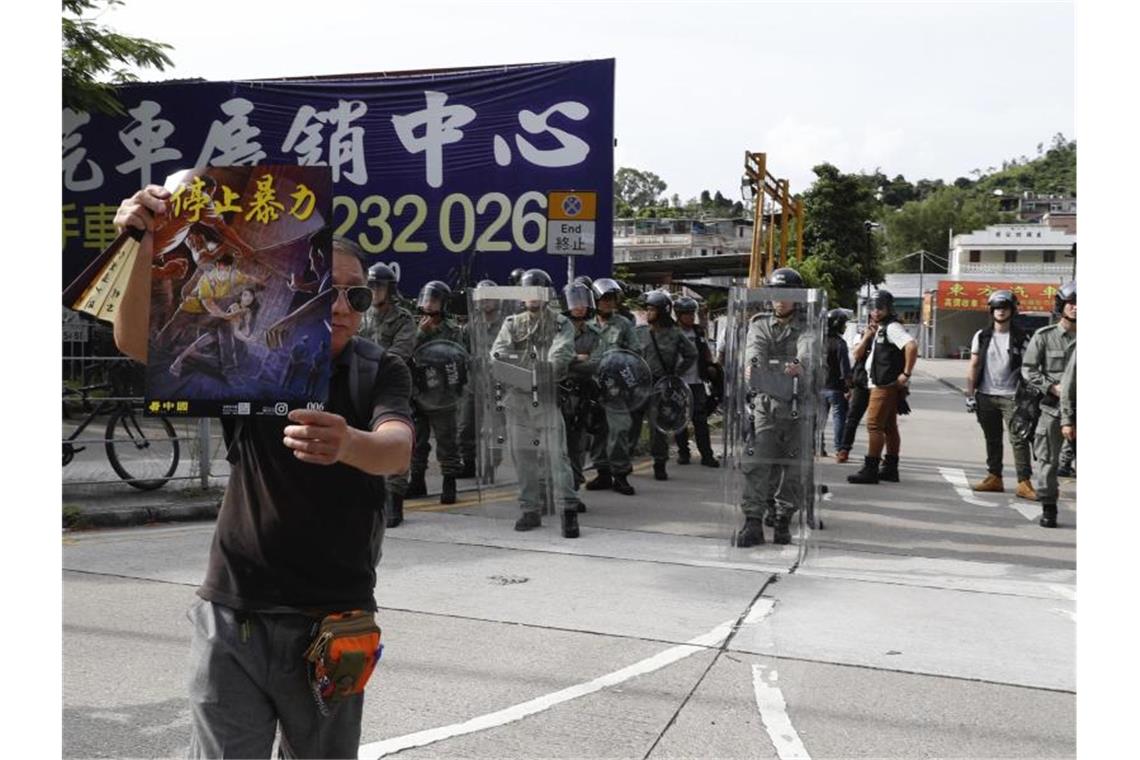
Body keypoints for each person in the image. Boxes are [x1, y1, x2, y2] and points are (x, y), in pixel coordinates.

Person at [112, 184, 414, 759]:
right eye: (330, 292)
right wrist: (139, 244)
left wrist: (349, 443)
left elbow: (395, 448)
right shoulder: (256, 359)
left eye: (357, 296)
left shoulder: (378, 369)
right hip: (232, 609)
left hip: (332, 617)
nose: (343, 308)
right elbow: (135, 342)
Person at [491, 268, 581, 537]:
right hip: (517, 401)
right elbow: (497, 356)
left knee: (557, 458)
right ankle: (530, 510)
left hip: (546, 398)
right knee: (524, 458)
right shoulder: (512, 323)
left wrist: (527, 368)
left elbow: (560, 355)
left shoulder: (560, 323)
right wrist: (533, 368)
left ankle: (568, 511)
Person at [735, 267, 817, 546]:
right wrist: (774, 368)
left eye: (786, 295)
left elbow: (808, 356)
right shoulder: (759, 325)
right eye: (775, 295)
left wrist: (799, 366)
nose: (780, 300)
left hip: (799, 407)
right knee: (757, 465)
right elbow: (754, 360)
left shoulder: (808, 328)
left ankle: (783, 520)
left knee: (794, 470)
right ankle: (753, 523)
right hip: (766, 407)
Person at [358, 262, 416, 527]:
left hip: (388, 384)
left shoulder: (403, 318)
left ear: (390, 289)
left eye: (379, 286)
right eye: (370, 285)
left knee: (393, 440)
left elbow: (401, 351)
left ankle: (395, 499)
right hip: (359, 382)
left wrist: (372, 366)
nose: (374, 290)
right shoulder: (360, 313)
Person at [965, 290, 1036, 499]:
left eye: (1004, 307)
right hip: (985, 395)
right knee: (992, 438)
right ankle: (994, 477)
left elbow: (1030, 368)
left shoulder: (1022, 337)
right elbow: (974, 364)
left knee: (1019, 439)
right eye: (996, 307)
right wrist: (969, 394)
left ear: (1013, 310)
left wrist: (1030, 398)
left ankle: (1024, 481)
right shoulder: (982, 335)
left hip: (1013, 396)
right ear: (991, 310)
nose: (1000, 311)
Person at [847, 289, 918, 485]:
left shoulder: (892, 327)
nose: (876, 311)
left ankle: (871, 469)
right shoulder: (878, 328)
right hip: (881, 382)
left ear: (889, 308)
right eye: (872, 308)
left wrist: (906, 374)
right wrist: (868, 337)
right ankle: (890, 468)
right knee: (889, 427)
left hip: (884, 384)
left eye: (880, 308)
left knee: (874, 425)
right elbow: (857, 354)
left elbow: (911, 346)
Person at [1022, 280, 1076, 528]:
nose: (1077, 308)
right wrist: (1051, 387)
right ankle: (1049, 507)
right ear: (1061, 306)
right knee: (1048, 461)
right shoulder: (1044, 337)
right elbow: (1029, 370)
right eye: (1072, 303)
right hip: (1052, 409)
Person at [406, 280, 465, 506]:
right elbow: (406, 350)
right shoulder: (414, 325)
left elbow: (457, 357)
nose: (429, 305)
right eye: (427, 299)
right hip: (418, 391)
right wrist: (421, 332)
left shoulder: (452, 330)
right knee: (417, 441)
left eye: (434, 301)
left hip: (442, 394)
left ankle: (449, 482)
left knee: (447, 441)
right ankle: (417, 480)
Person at [585, 277, 641, 496]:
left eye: (612, 299)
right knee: (598, 432)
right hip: (591, 387)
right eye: (605, 299)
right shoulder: (585, 324)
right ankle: (603, 473)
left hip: (616, 388)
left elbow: (635, 352)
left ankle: (620, 474)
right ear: (596, 300)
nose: (609, 303)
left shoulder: (624, 324)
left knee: (619, 430)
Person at [640, 290, 698, 481]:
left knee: (658, 428)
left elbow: (691, 354)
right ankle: (621, 464)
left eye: (652, 309)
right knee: (630, 425)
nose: (648, 313)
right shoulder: (641, 332)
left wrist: (676, 374)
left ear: (662, 312)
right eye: (647, 309)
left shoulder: (675, 334)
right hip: (640, 384)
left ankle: (659, 463)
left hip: (662, 385)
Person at [561, 280, 603, 505]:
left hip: (583, 396)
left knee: (578, 446)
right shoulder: (557, 330)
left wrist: (572, 362)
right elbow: (554, 361)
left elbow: (597, 362)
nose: (579, 306)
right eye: (574, 301)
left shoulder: (594, 334)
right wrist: (577, 358)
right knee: (558, 445)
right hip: (558, 393)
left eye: (582, 302)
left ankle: (573, 492)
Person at [458, 279, 504, 479]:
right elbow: (461, 351)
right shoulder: (471, 326)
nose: (486, 301)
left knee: (495, 428)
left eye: (490, 297)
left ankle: (491, 465)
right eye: (482, 297)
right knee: (466, 424)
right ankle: (468, 462)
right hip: (474, 381)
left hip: (497, 383)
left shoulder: (506, 325)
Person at [672, 295, 719, 467]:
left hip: (697, 382)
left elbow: (705, 350)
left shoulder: (698, 331)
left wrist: (711, 366)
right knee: (679, 419)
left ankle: (707, 455)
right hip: (678, 382)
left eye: (692, 313)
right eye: (686, 314)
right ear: (678, 314)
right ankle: (683, 453)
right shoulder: (672, 332)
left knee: (700, 419)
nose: (690, 317)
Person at [820, 308, 852, 459]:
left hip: (820, 387)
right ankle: (839, 449)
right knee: (839, 418)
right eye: (844, 324)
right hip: (836, 388)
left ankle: (818, 447)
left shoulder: (818, 342)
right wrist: (849, 387)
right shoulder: (840, 343)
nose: (845, 327)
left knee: (820, 419)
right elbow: (844, 368)